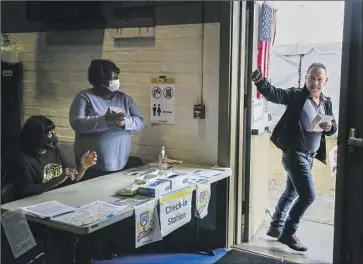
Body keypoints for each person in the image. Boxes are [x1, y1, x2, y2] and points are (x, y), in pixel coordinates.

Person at [251, 62, 337, 251]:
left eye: (319, 79)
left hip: (309, 156)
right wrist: (259, 80)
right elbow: (275, 94)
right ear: (305, 78)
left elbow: (333, 128)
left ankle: (275, 227)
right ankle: (289, 233)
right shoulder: (296, 96)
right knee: (308, 195)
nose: (315, 82)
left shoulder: (326, 102)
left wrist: (330, 127)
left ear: (325, 81)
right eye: (312, 78)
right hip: (293, 154)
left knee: (292, 192)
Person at [69, 59, 144, 181]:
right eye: (113, 78)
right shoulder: (84, 97)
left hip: (121, 161)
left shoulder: (124, 99)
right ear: (101, 80)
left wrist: (125, 122)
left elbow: (140, 122)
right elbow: (77, 123)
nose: (116, 81)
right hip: (92, 166)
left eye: (117, 77)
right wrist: (105, 120)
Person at [9, 115, 97, 200]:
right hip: (34, 204)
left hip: (57, 199)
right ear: (35, 136)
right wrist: (57, 180)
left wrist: (83, 167)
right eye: (50, 134)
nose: (54, 136)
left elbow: (71, 178)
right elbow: (25, 191)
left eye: (54, 132)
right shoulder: (22, 160)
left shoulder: (55, 151)